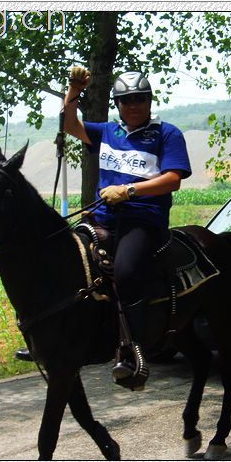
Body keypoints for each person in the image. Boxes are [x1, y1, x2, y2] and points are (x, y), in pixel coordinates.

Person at [59, 66, 191, 389]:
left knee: (127, 270)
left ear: (149, 101)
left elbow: (173, 179)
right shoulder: (108, 131)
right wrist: (73, 92)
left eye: (139, 99)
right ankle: (59, 340)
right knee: (65, 261)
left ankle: (135, 353)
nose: (132, 106)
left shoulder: (167, 133)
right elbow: (67, 124)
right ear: (117, 105)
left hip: (143, 220)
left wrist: (129, 191)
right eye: (125, 100)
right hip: (102, 218)